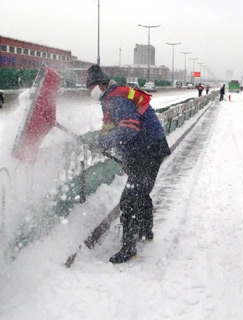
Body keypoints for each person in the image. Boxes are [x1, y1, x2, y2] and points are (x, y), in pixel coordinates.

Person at [86, 65, 171, 263]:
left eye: (90, 88)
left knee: (130, 199)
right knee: (141, 192)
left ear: (101, 84)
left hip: (147, 150)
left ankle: (129, 248)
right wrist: (101, 139)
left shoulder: (117, 99)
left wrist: (104, 142)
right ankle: (144, 231)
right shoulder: (111, 97)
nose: (89, 92)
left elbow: (129, 130)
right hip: (148, 149)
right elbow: (109, 126)